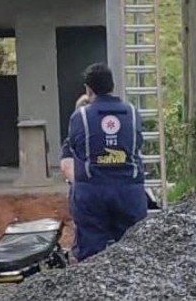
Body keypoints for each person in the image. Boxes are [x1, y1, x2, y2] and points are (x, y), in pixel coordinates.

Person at [68, 63, 147, 261]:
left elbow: (76, 148)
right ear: (112, 86)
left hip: (92, 193)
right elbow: (137, 144)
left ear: (88, 89)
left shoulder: (81, 116)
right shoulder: (132, 112)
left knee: (91, 257)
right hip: (129, 192)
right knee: (132, 253)